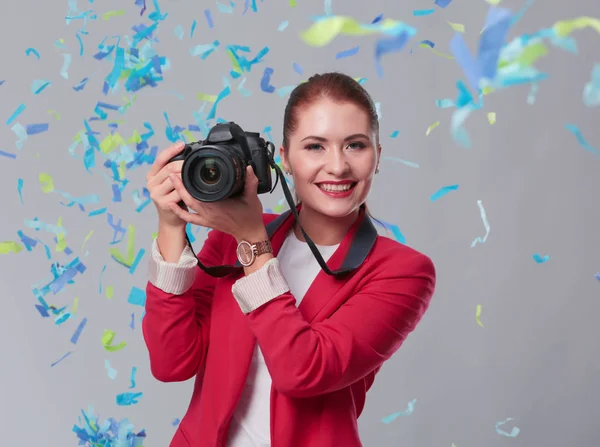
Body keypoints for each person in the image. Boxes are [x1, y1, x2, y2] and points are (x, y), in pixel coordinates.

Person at [143, 72, 436, 447]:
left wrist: (252, 241)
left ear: (378, 156)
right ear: (284, 158)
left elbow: (302, 371)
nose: (338, 167)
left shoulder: (403, 272)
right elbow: (171, 364)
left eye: (355, 146)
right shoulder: (230, 237)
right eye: (315, 146)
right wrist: (170, 226)